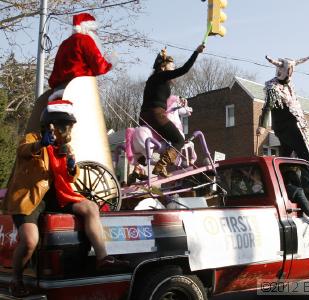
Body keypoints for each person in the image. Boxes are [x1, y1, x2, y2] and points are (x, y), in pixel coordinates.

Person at [1, 101, 128, 297]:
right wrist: (39, 144)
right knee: (29, 241)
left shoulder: (63, 146)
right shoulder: (32, 138)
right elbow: (23, 151)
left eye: (66, 126)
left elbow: (69, 178)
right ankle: (16, 280)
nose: (65, 130)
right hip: (30, 197)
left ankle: (103, 257)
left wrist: (71, 165)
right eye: (62, 125)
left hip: (56, 196)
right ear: (50, 124)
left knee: (90, 207)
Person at [140, 45, 205, 177]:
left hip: (143, 116)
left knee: (161, 141)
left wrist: (179, 100)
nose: (174, 68)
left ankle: (140, 164)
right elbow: (184, 69)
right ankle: (161, 165)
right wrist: (196, 52)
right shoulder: (161, 76)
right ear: (163, 67)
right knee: (179, 140)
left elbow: (162, 98)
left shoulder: (152, 80)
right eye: (172, 66)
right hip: (155, 114)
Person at [256, 55, 309, 164]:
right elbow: (268, 105)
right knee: (304, 153)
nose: (290, 73)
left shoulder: (289, 86)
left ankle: (287, 175)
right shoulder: (273, 86)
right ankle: (307, 178)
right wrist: (262, 125)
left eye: (291, 71)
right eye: (288, 70)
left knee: (286, 156)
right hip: (286, 127)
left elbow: (295, 105)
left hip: (293, 125)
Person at [48, 13, 116, 98]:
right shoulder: (85, 40)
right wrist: (111, 62)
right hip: (80, 88)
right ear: (88, 28)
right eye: (94, 30)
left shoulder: (64, 43)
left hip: (59, 90)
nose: (96, 33)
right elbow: (99, 67)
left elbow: (55, 70)